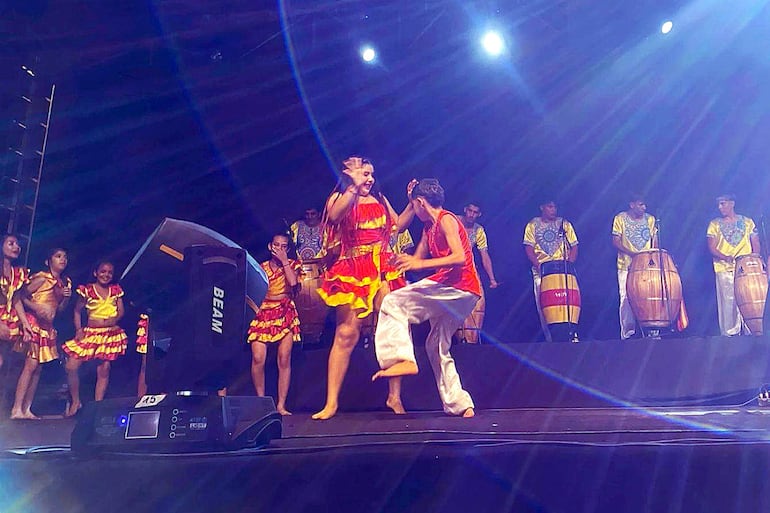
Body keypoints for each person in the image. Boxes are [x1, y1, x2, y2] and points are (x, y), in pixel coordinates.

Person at [312, 156, 416, 420]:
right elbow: (335, 217)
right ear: (349, 175)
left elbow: (397, 225)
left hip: (382, 267)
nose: (369, 179)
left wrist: (413, 203)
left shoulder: (380, 198)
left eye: (370, 174)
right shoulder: (340, 197)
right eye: (363, 174)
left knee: (394, 326)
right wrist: (352, 187)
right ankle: (331, 403)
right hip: (353, 268)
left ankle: (395, 396)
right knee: (346, 334)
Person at [372, 178, 478, 418]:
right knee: (436, 345)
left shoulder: (447, 219)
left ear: (420, 203)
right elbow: (417, 259)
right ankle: (460, 403)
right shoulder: (428, 228)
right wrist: (400, 261)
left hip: (459, 286)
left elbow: (460, 257)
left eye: (414, 205)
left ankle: (400, 359)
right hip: (459, 294)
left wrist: (420, 262)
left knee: (392, 301)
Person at [11, 248, 72, 419]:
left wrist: (66, 297)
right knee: (30, 365)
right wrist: (36, 307)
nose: (62, 260)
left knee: (38, 368)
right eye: (58, 256)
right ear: (48, 261)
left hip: (47, 327)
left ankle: (27, 408)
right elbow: (21, 296)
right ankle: (17, 408)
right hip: (34, 323)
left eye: (65, 257)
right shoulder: (41, 278)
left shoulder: (63, 283)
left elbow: (59, 309)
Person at [62, 260, 127, 416]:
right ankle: (76, 401)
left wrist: (113, 319)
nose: (106, 275)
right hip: (90, 332)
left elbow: (121, 311)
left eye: (109, 272)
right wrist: (78, 330)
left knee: (104, 368)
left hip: (109, 333)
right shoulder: (88, 290)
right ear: (95, 273)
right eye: (103, 271)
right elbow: (77, 311)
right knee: (71, 366)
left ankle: (97, 406)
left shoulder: (115, 290)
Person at [246, 233, 301, 416]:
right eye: (277, 245)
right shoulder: (260, 268)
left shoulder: (293, 265)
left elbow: (293, 283)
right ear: (270, 246)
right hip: (263, 311)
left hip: (284, 310)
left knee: (284, 358)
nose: (279, 249)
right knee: (258, 358)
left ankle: (281, 405)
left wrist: (285, 261)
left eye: (284, 246)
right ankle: (262, 402)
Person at [523, 200, 579, 342]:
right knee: (544, 305)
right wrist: (539, 266)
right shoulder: (532, 225)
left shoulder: (564, 224)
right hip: (542, 272)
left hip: (563, 271)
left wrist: (569, 265)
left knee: (568, 302)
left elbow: (574, 246)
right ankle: (551, 339)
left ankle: (572, 334)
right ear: (542, 207)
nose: (553, 210)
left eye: (555, 207)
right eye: (550, 207)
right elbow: (528, 248)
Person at [706, 194, 760, 336]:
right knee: (728, 301)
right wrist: (725, 257)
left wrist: (754, 259)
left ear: (732, 203)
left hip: (746, 268)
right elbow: (711, 247)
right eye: (718, 204)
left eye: (723, 204)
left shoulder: (748, 222)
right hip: (724, 267)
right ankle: (730, 333)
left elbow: (756, 243)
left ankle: (752, 329)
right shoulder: (714, 225)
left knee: (749, 298)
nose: (720, 207)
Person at [612, 194, 658, 339]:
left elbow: (654, 240)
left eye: (645, 205)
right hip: (626, 265)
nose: (644, 208)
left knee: (650, 296)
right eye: (640, 205)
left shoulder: (650, 219)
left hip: (647, 266)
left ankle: (652, 329)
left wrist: (651, 256)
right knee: (626, 297)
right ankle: (628, 332)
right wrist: (632, 253)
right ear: (632, 205)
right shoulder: (620, 218)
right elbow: (616, 241)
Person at [457, 203, 498, 343]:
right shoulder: (454, 222)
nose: (471, 214)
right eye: (469, 210)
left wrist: (492, 279)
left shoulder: (478, 230)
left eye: (475, 212)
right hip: (451, 269)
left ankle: (471, 342)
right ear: (465, 209)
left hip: (469, 269)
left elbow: (484, 254)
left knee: (478, 302)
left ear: (479, 214)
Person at [0, 234, 33, 372]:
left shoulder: (18, 273)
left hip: (9, 319)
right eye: (11, 243)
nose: (16, 247)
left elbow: (17, 300)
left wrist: (25, 323)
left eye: (18, 244)